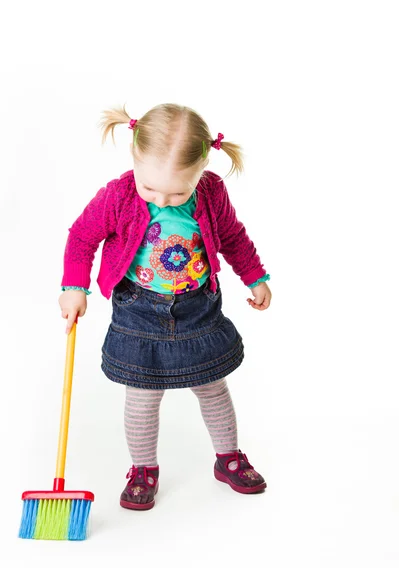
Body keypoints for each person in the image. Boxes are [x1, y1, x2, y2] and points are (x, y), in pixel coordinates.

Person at [59, 103, 272, 511]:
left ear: (202, 169)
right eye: (151, 188)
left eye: (178, 191)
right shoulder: (117, 195)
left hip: (198, 308)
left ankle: (228, 457)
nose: (163, 198)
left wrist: (255, 276)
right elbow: (83, 237)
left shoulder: (211, 193)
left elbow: (233, 237)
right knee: (143, 394)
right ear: (134, 163)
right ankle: (142, 469)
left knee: (211, 385)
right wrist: (74, 286)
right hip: (138, 310)